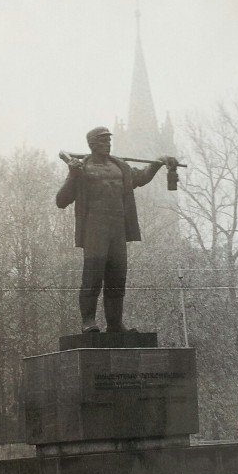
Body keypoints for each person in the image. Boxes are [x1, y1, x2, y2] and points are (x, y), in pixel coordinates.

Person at [57, 126, 177, 333]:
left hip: (118, 226)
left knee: (117, 276)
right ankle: (88, 321)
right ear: (93, 144)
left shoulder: (120, 167)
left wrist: (159, 161)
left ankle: (115, 324)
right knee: (93, 276)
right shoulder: (82, 168)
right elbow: (61, 200)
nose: (108, 144)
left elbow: (141, 178)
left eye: (109, 141)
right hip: (95, 227)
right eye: (103, 141)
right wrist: (72, 175)